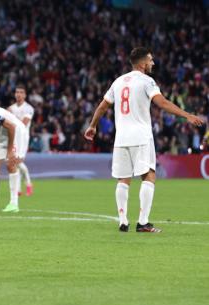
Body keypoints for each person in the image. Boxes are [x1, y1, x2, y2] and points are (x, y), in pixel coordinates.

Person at [84, 47, 204, 233]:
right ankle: (143, 223)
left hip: (121, 138)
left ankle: (123, 221)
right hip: (141, 136)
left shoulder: (118, 81)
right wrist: (186, 115)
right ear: (142, 63)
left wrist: (92, 125)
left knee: (123, 179)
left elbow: (102, 106)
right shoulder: (147, 81)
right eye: (150, 60)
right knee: (149, 176)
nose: (153, 63)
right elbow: (162, 103)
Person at [7, 84, 35, 196]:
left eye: (21, 92)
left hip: (23, 138)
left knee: (18, 161)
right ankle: (19, 189)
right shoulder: (11, 108)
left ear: (25, 95)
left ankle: (27, 183)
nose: (18, 94)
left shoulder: (29, 108)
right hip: (13, 137)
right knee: (13, 162)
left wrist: (12, 120)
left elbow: (24, 123)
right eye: (17, 92)